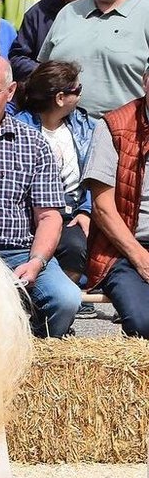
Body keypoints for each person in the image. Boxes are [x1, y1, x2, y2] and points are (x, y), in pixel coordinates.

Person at [0, 54, 81, 337]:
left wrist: (36, 262)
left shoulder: (34, 144)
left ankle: (36, 352)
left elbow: (49, 216)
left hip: (18, 252)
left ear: (10, 92)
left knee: (65, 298)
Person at [39, 0, 149, 118]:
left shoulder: (146, 13)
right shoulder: (69, 12)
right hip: (65, 129)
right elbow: (45, 72)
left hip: (125, 131)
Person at [10, 61, 94, 284]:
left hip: (71, 211)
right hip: (32, 212)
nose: (80, 94)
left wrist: (86, 211)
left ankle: (66, 292)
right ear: (60, 98)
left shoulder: (85, 126)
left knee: (75, 246)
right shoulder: (19, 130)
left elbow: (93, 175)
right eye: (77, 89)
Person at [82, 66, 149, 336]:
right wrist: (140, 258)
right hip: (124, 251)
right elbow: (102, 208)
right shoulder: (113, 126)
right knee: (144, 323)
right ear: (145, 82)